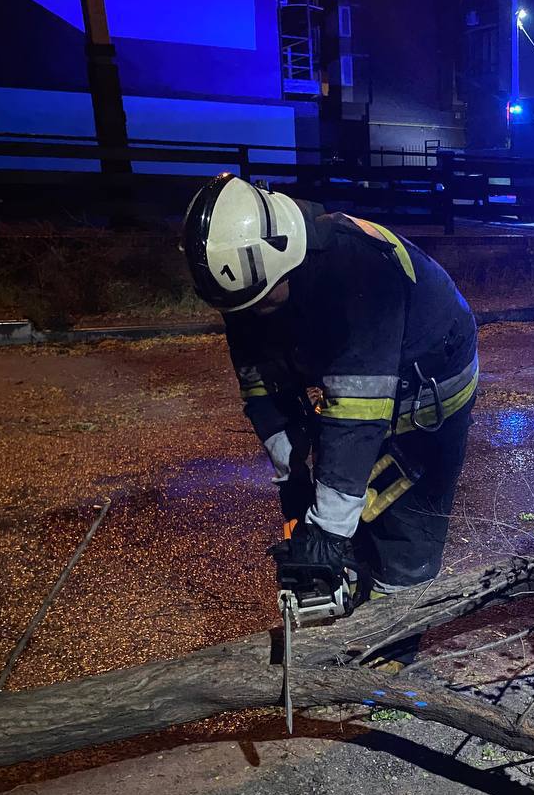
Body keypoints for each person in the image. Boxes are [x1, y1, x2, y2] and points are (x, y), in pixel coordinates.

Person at [180, 173, 477, 602]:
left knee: (402, 536)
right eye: (244, 310)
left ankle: (395, 645)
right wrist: (294, 479)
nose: (256, 316)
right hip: (366, 383)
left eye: (264, 302)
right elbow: (263, 391)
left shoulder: (356, 272)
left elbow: (357, 412)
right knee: (341, 511)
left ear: (289, 259)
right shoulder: (247, 284)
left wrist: (329, 528)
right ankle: (350, 613)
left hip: (429, 389)